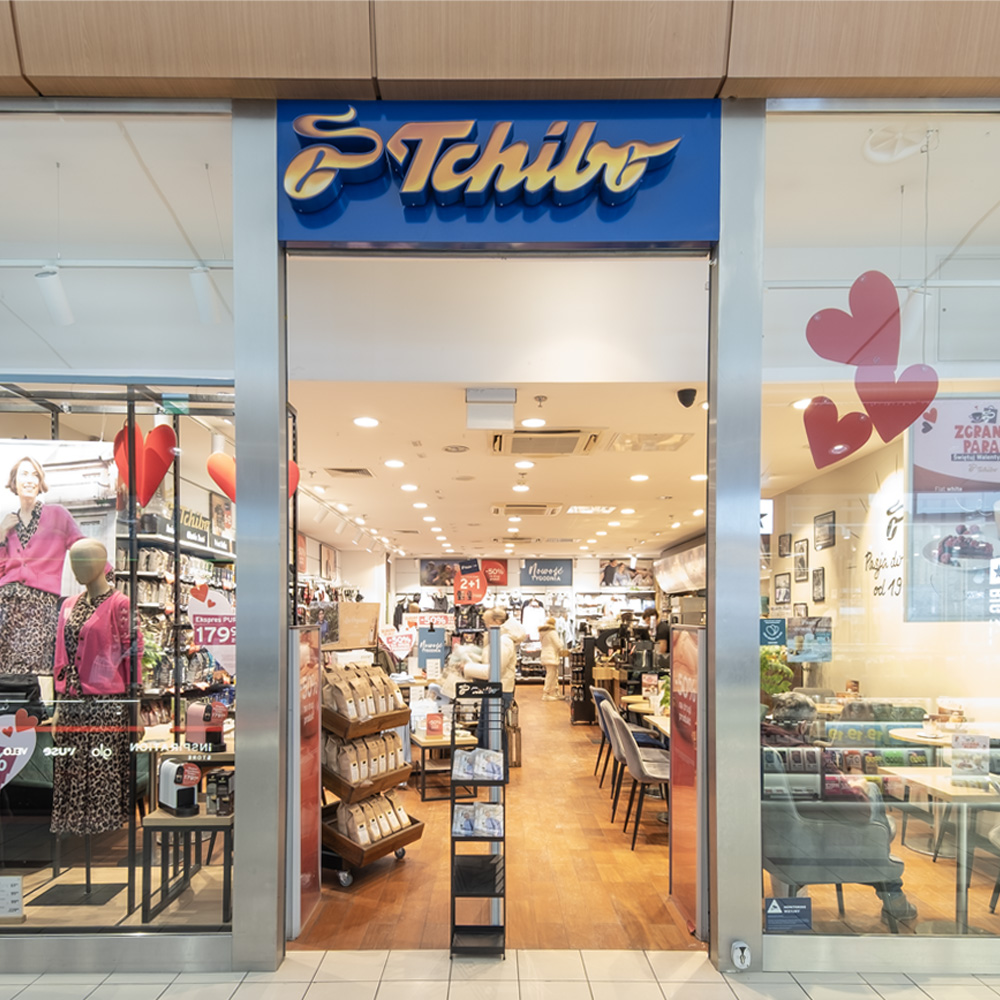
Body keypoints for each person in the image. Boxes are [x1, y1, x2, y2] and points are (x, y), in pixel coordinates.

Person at [51, 538, 142, 836]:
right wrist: (58, 707)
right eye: (73, 562)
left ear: (101, 563)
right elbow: (61, 656)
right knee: (73, 769)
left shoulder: (121, 604)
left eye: (83, 561)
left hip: (106, 707)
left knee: (101, 769)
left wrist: (135, 710)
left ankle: (101, 829)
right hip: (72, 706)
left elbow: (133, 657)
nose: (77, 569)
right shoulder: (68, 605)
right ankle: (76, 828)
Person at [0, 455, 84, 676]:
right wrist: (1, 534)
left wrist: (108, 577)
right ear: (14, 482)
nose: (29, 480)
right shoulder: (9, 522)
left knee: (37, 674)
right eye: (24, 474)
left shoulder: (57, 515)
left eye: (34, 475)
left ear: (40, 483)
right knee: (6, 676)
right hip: (6, 607)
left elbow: (82, 547)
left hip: (39, 606)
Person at [538, 616, 566, 701]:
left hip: (545, 655)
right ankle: (546, 693)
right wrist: (562, 642)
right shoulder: (552, 632)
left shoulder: (542, 632)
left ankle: (555, 693)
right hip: (551, 655)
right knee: (551, 676)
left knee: (553, 674)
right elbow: (558, 645)